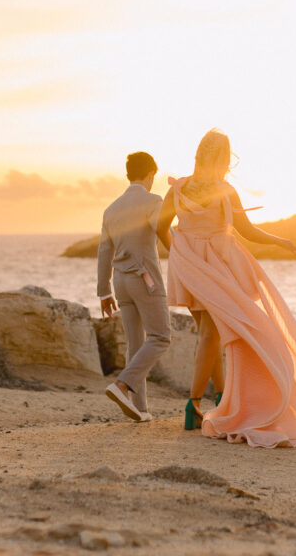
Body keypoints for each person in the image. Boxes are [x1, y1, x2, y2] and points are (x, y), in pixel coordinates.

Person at [156, 129, 296, 448]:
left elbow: (159, 227)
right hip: (218, 266)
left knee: (208, 334)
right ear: (224, 159)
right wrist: (278, 240)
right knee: (213, 334)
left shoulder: (178, 188)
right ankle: (194, 404)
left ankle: (221, 399)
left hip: (187, 264)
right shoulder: (225, 190)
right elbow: (247, 231)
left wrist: (180, 252)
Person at [97, 151, 171, 423]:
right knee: (161, 336)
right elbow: (158, 227)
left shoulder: (111, 208)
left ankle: (141, 408)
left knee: (136, 342)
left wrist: (103, 291)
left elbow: (104, 250)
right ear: (150, 174)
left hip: (119, 282)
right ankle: (122, 385)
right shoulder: (154, 200)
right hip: (144, 279)